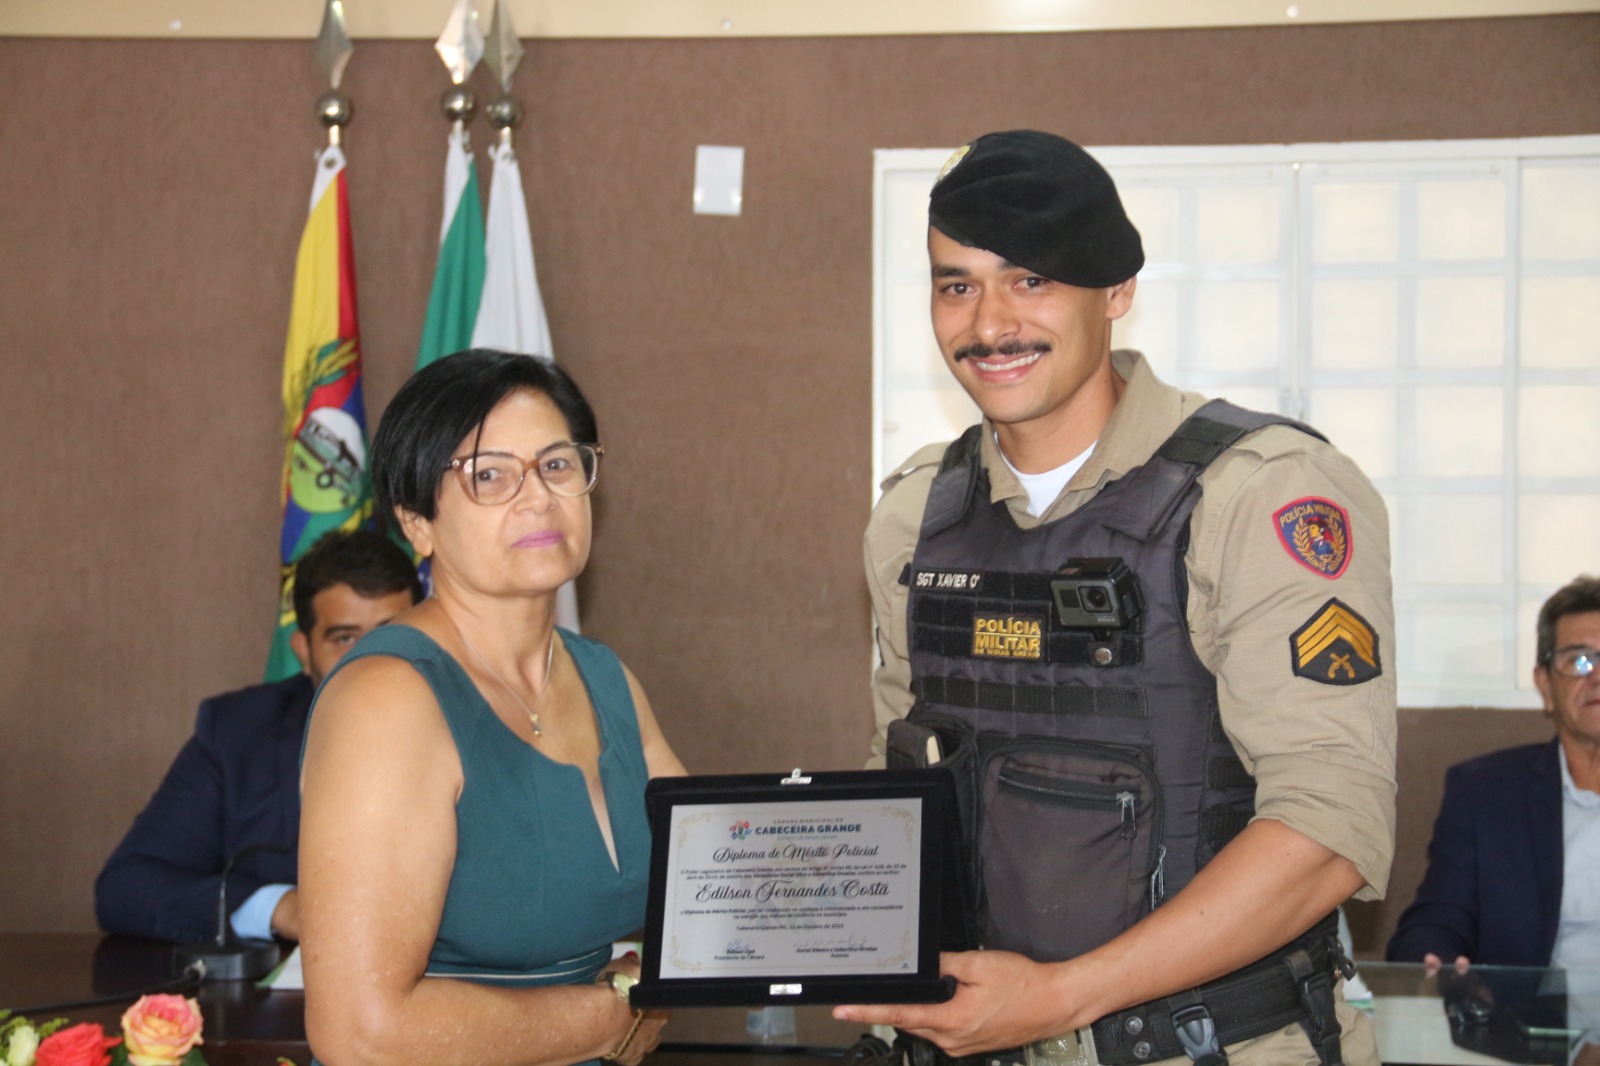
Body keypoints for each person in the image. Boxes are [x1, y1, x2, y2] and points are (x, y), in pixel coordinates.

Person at [836, 131, 1396, 1065]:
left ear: (1118, 290)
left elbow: (1329, 828)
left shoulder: (1257, 494)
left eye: (1031, 279)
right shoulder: (914, 516)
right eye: (957, 285)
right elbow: (896, 784)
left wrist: (1059, 1000)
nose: (990, 324)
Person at [299, 349, 686, 1066]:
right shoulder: (386, 698)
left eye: (557, 464)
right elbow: (361, 1032)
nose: (538, 496)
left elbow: (708, 889)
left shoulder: (606, 678)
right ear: (417, 522)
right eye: (489, 475)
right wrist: (608, 1018)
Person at [95, 529, 421, 944]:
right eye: (345, 638)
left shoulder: (480, 724)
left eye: (391, 632)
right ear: (304, 652)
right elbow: (127, 887)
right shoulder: (239, 733)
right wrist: (282, 908)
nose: (370, 656)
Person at [1388, 574, 1600, 969]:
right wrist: (1436, 961)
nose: (1597, 676)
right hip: (1530, 1010)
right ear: (1545, 684)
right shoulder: (1484, 793)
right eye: (1579, 660)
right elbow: (1436, 923)